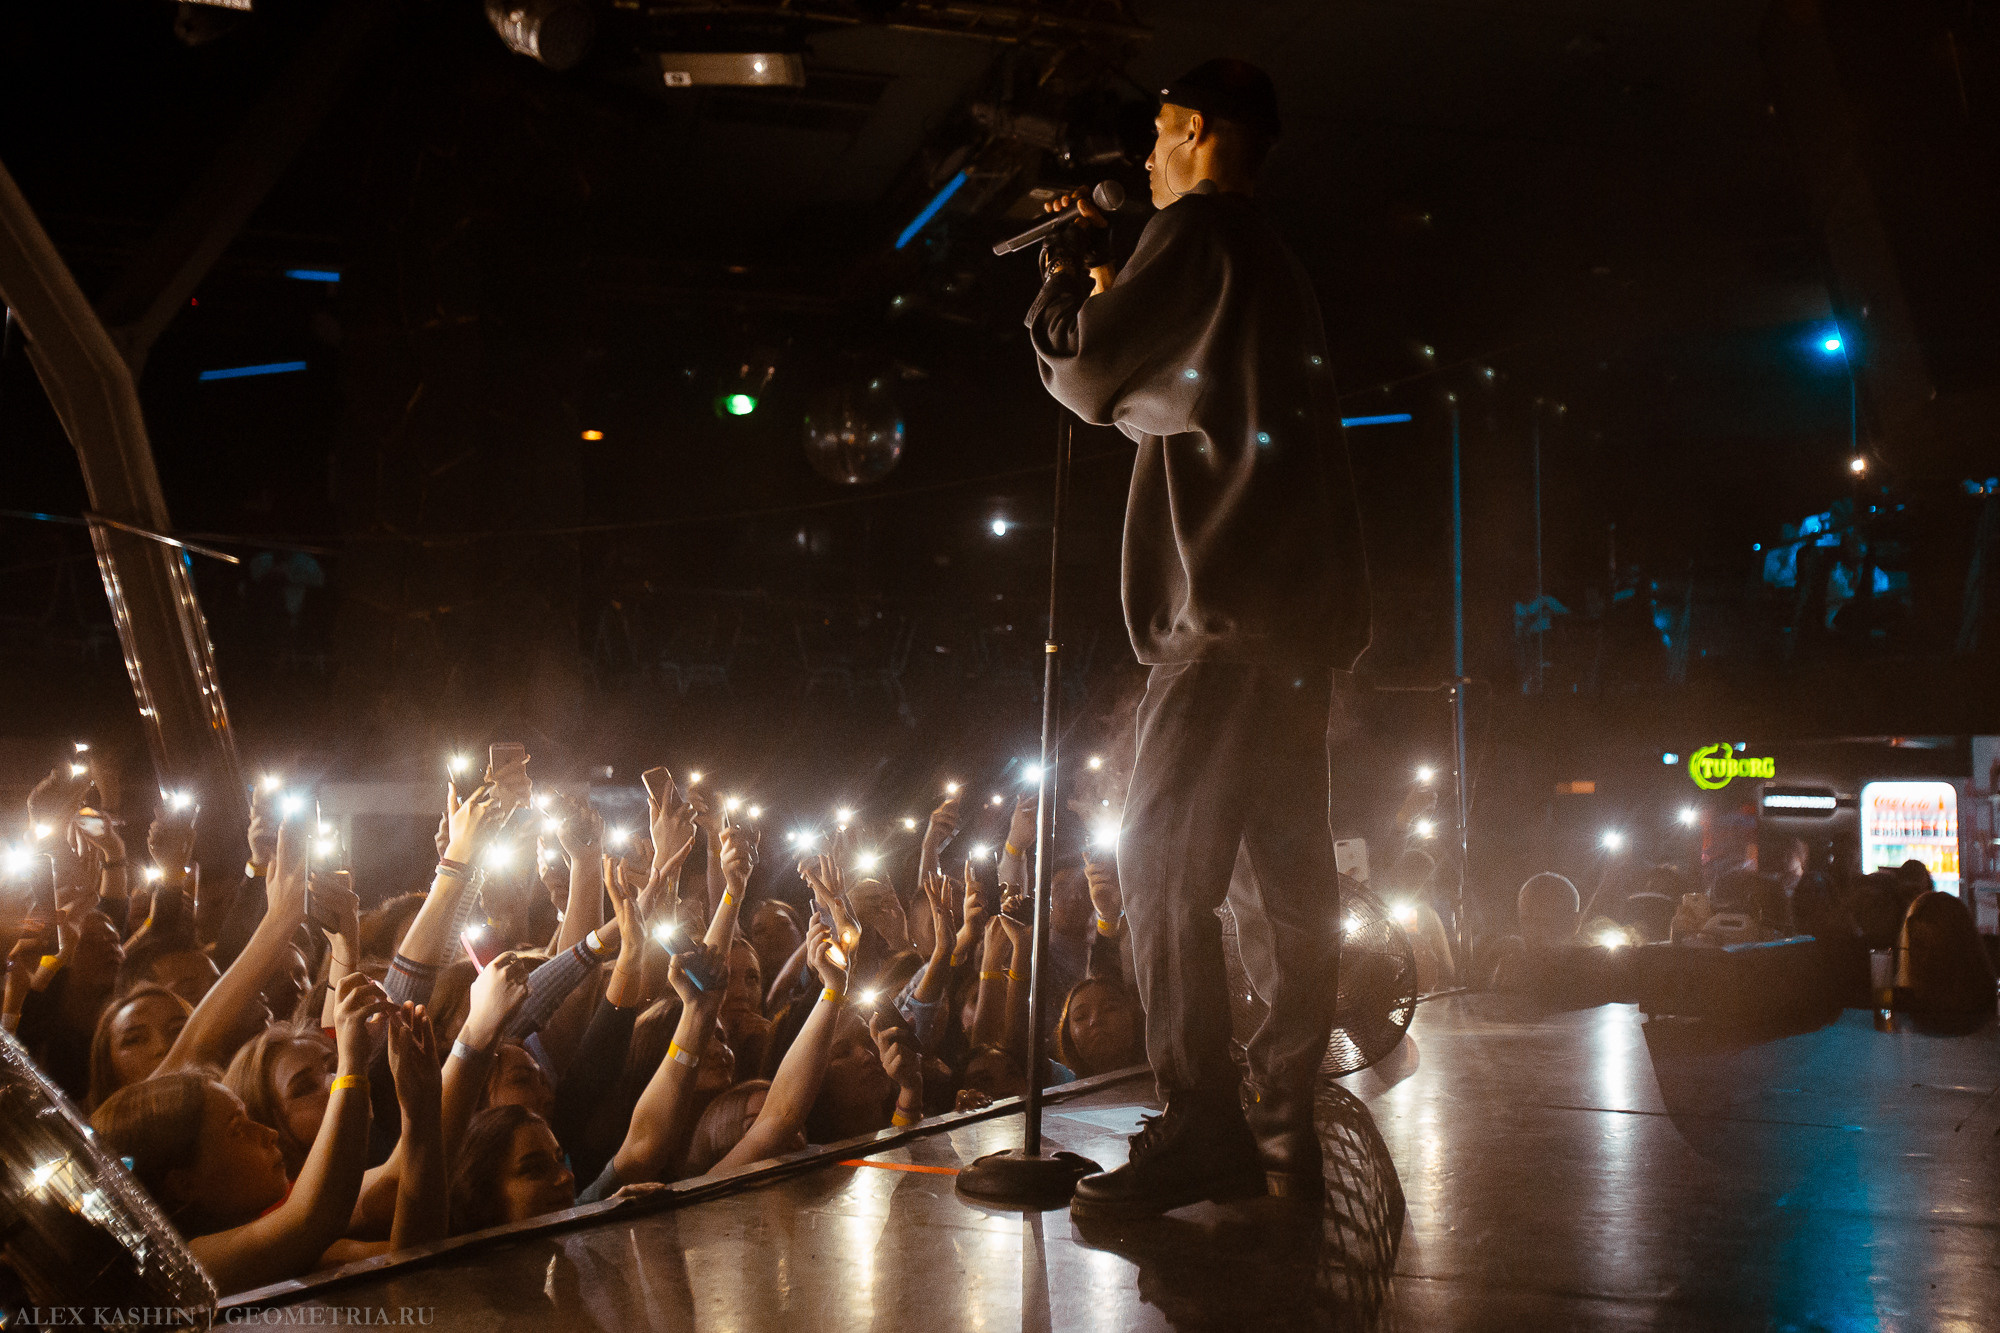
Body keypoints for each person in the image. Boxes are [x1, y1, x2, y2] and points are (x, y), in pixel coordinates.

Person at [1026, 57, 1369, 1215]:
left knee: (1163, 870)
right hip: (1289, 633)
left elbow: (1087, 372)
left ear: (1184, 128)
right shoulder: (1272, 262)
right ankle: (1278, 1110)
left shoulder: (1201, 240)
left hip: (1217, 627)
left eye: (1155, 138)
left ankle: (1202, 1125)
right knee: (1284, 880)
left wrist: (1066, 280)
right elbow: (1185, 395)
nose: (1144, 160)